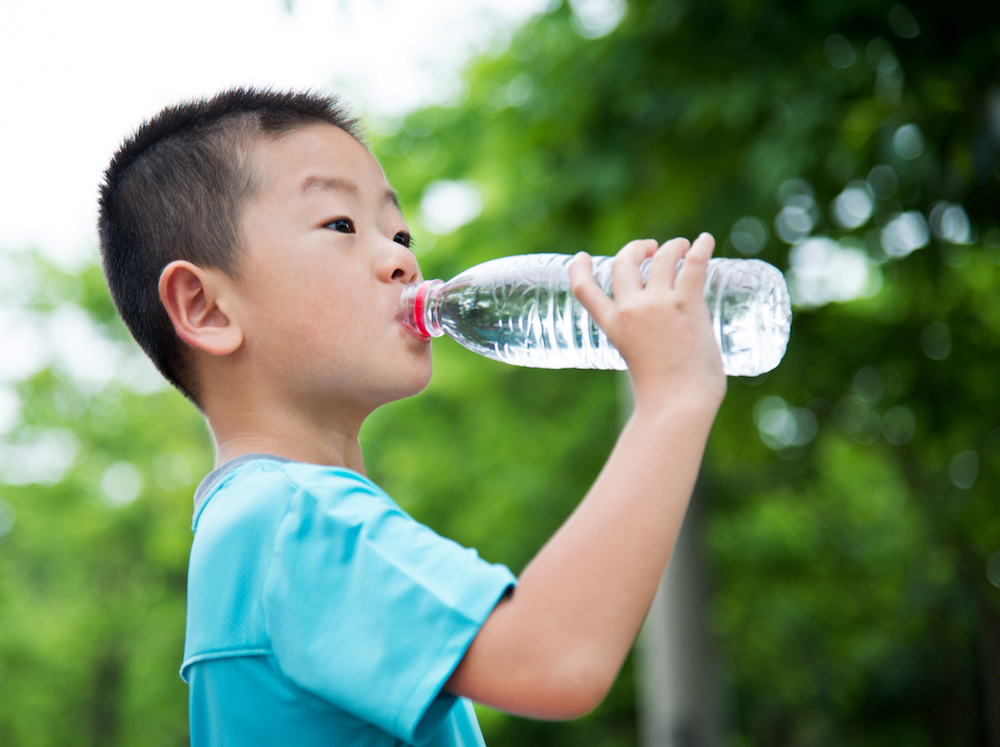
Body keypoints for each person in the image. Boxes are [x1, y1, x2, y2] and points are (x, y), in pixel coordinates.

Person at [97, 87, 726, 746]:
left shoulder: (253, 526)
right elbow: (555, 656)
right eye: (340, 225)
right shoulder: (293, 521)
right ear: (206, 307)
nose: (402, 258)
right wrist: (672, 398)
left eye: (399, 232)